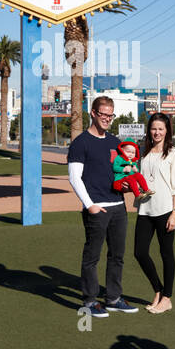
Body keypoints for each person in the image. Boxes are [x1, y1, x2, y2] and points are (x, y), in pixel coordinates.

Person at [67, 96, 139, 319]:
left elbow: (118, 173)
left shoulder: (114, 142)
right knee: (92, 257)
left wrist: (127, 186)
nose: (107, 118)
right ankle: (89, 300)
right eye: (103, 114)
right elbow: (74, 178)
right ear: (93, 113)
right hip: (97, 209)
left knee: (117, 256)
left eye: (110, 115)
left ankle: (113, 299)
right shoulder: (81, 142)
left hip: (119, 207)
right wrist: (90, 206)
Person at [135, 112, 175, 314]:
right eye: (154, 128)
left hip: (165, 210)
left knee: (166, 254)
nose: (157, 132)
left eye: (161, 129)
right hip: (145, 209)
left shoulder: (174, 154)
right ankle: (158, 290)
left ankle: (167, 298)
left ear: (167, 131)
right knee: (139, 252)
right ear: (149, 130)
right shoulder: (142, 152)